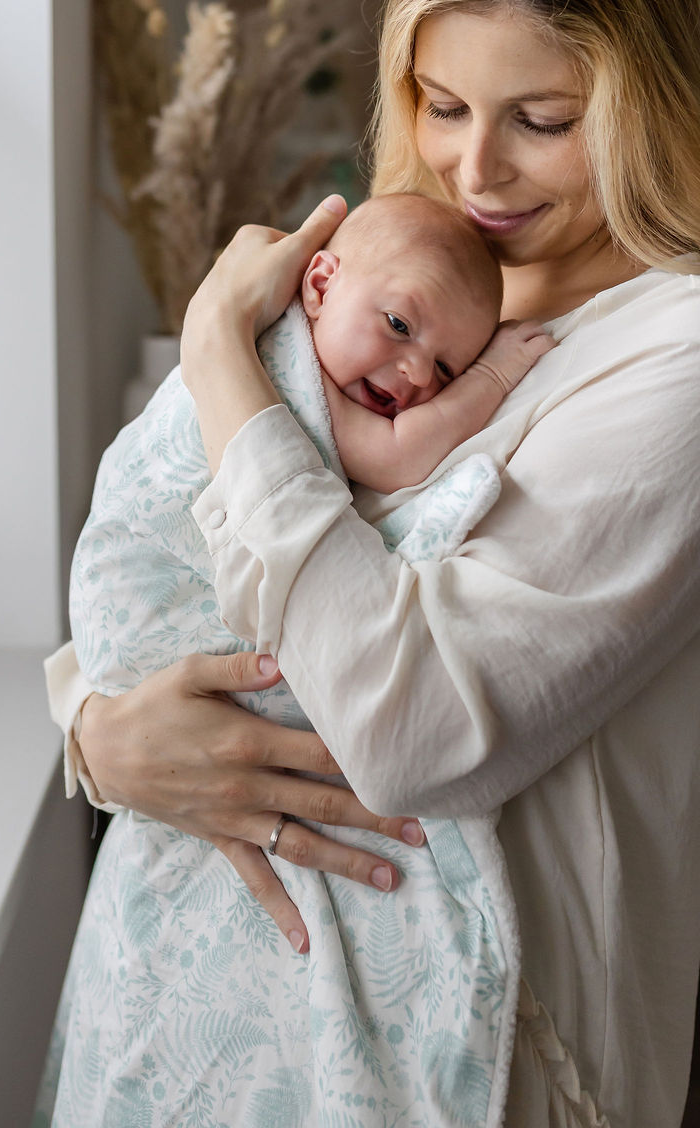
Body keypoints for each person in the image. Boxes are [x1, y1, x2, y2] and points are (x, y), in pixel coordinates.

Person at [46, 0, 700, 1127]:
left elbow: (409, 731)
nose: (475, 172)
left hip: (513, 1062)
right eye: (441, 104)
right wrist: (100, 735)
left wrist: (217, 355)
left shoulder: (669, 361)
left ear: (652, 99)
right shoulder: (402, 278)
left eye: (542, 121)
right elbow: (175, 547)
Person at [36, 192, 552, 1127]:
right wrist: (490, 382)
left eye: (446, 366)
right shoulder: (283, 361)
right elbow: (397, 460)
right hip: (142, 599)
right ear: (319, 281)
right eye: (398, 328)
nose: (412, 374)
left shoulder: (272, 337)